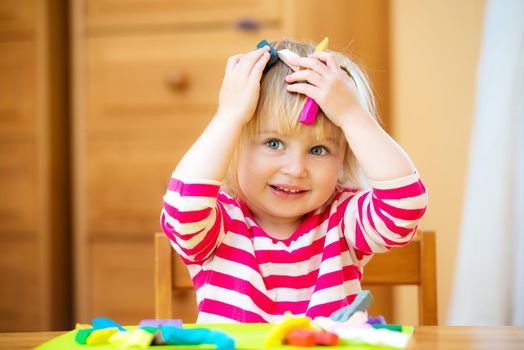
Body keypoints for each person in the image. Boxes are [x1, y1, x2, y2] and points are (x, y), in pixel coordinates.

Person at [160, 38, 428, 323]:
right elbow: (182, 211)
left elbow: (405, 207)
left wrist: (353, 116)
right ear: (234, 145)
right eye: (274, 143)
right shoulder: (219, 223)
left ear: (344, 157)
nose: (295, 169)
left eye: (318, 150)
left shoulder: (344, 220)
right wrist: (228, 117)